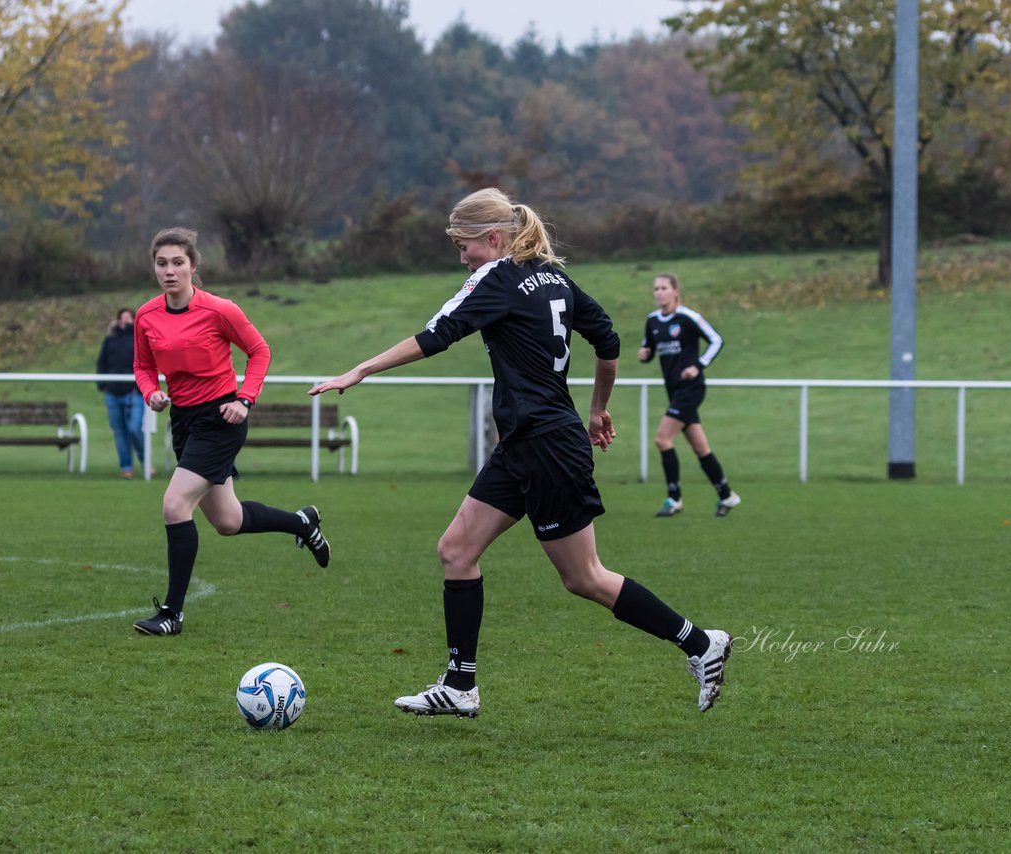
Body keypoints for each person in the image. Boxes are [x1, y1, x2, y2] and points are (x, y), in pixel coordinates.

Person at [310, 188, 732, 716]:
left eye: (464, 245)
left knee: (585, 577)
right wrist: (597, 410)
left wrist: (360, 370)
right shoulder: (554, 276)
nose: (460, 257)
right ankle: (460, 685)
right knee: (456, 551)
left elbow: (437, 334)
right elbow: (608, 340)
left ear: (492, 238)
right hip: (526, 443)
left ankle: (700, 643)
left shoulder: (498, 276)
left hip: (547, 447)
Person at [130, 227, 329, 637]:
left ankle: (172, 613)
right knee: (227, 520)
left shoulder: (220, 310)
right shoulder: (146, 316)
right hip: (183, 420)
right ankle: (302, 523)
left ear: (193, 266)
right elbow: (143, 366)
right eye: (161, 263)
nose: (169, 271)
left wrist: (245, 399)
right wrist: (151, 393)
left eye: (178, 263)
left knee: (173, 505)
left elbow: (260, 351)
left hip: (221, 420)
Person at [637, 273, 741, 518]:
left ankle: (674, 499)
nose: (659, 292)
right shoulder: (652, 321)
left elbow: (716, 340)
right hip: (673, 390)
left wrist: (698, 365)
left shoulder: (688, 317)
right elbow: (648, 348)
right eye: (656, 288)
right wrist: (645, 354)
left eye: (664, 288)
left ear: (675, 291)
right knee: (700, 446)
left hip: (691, 389)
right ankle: (727, 495)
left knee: (662, 439)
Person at [96, 308, 148, 478]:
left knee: (134, 428)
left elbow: (147, 362)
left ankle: (145, 460)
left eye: (128, 317)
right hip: (112, 392)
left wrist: (143, 386)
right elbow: (101, 362)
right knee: (119, 431)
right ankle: (126, 467)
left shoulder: (139, 339)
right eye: (121, 317)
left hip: (133, 392)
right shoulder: (110, 340)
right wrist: (102, 384)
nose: (124, 320)